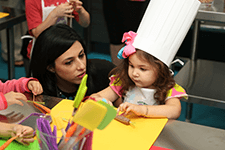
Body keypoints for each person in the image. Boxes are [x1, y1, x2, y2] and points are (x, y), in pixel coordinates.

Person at [91, 0, 201, 119]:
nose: (134, 73)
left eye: (142, 69)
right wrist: (98, 100)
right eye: (131, 66)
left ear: (160, 70)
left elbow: (174, 110)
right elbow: (98, 96)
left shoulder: (168, 88)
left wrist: (142, 110)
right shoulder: (123, 81)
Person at [29, 24, 116, 150]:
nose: (81, 66)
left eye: (81, 55)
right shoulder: (40, 91)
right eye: (69, 62)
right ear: (50, 67)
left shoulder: (104, 73)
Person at [23, 0, 90, 75]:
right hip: (43, 49)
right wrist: (55, 14)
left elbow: (85, 23)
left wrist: (80, 11)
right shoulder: (32, 1)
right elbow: (37, 33)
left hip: (65, 49)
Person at [102, 0, 150, 66]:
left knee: (139, 40)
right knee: (115, 38)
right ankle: (117, 73)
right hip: (112, 3)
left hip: (139, 3)